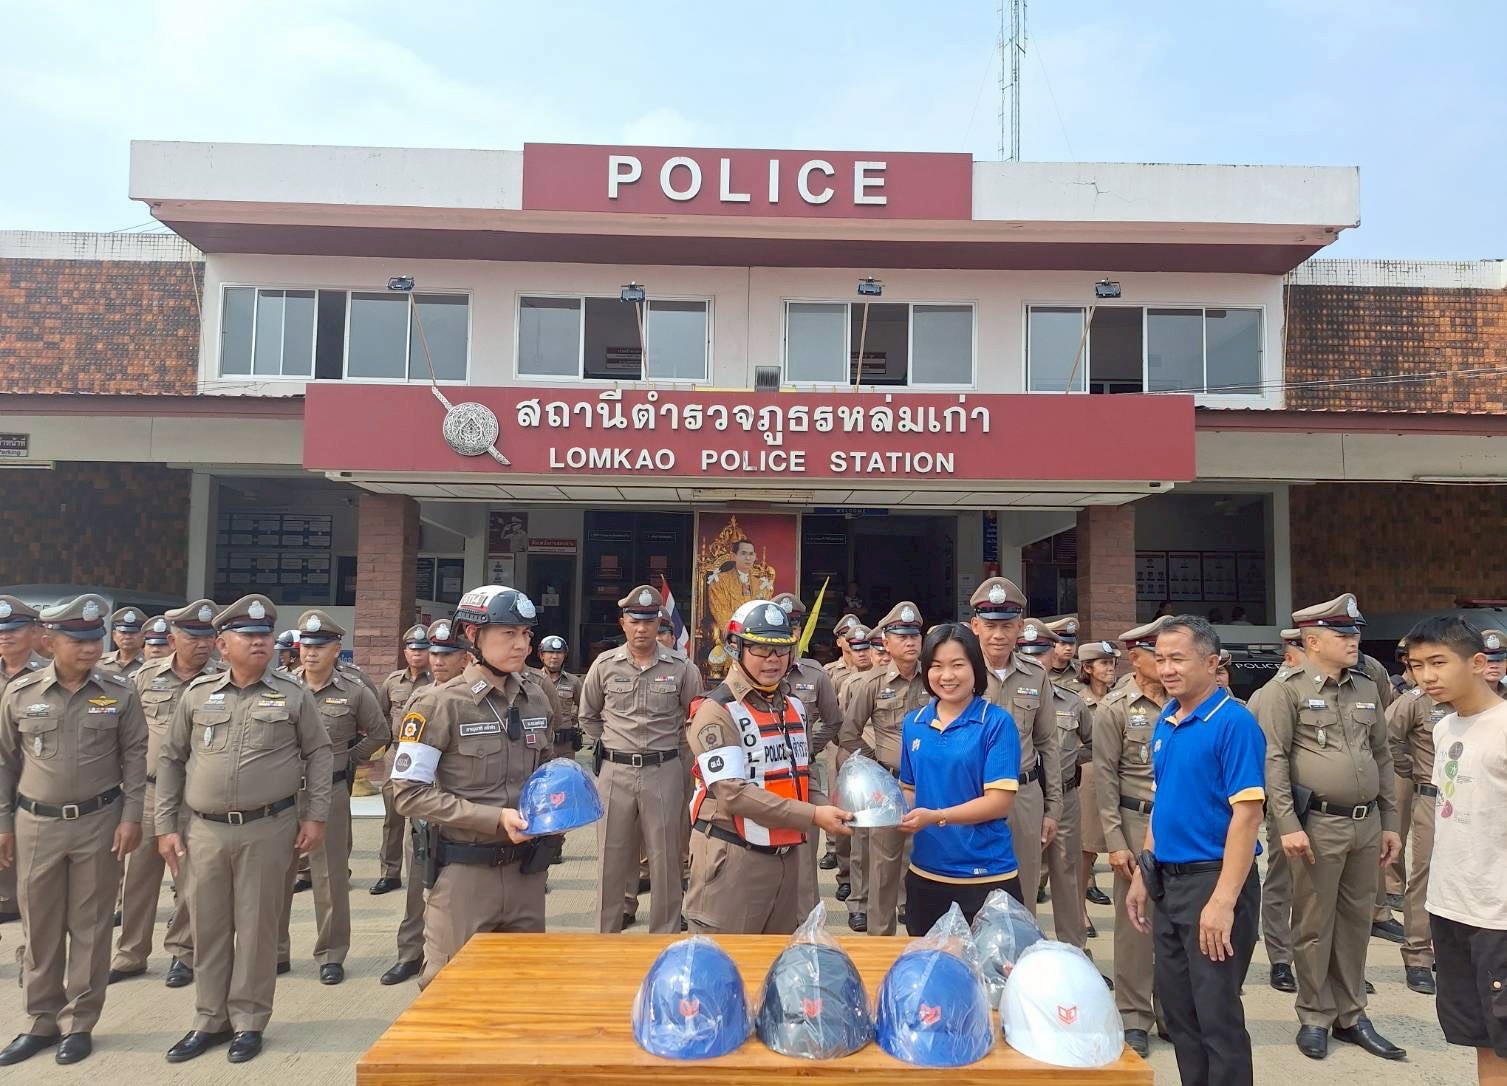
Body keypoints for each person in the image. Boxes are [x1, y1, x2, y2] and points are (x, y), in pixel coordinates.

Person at [156, 594, 331, 1065]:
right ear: (222, 645)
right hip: (204, 832)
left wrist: (315, 815)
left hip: (267, 828)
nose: (259, 642)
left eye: (265, 635)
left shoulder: (293, 694)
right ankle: (209, 1019)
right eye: (248, 635)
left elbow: (319, 753)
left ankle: (249, 1021)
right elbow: (171, 759)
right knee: (208, 926)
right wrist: (165, 825)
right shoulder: (198, 695)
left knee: (256, 929)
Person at [390, 585, 564, 988]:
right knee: (451, 991)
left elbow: (545, 773)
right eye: (508, 633)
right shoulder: (438, 705)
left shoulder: (537, 700)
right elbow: (408, 794)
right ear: (472, 635)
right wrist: (493, 818)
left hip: (527, 873)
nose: (521, 644)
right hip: (465, 874)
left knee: (524, 987)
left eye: (526, 634)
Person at [1256, 592, 1405, 1062]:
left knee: (1356, 923)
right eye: (1342, 634)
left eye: (1354, 632)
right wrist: (1287, 823)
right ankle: (1315, 1014)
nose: (1353, 640)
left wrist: (1390, 821)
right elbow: (1274, 761)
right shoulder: (1285, 690)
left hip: (1366, 822)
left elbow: (1381, 755)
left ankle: (1352, 1015)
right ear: (1313, 640)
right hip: (1317, 822)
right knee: (1314, 924)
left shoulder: (1365, 687)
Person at [0, 594, 147, 1067]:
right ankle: (40, 1020)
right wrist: (3, 823)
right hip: (35, 823)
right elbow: (4, 763)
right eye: (76, 639)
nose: (89, 648)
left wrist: (131, 817)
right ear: (50, 641)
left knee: (91, 924)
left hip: (98, 822)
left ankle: (79, 1022)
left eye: (94, 639)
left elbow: (136, 757)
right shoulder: (21, 693)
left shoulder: (120, 691)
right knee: (39, 925)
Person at [1125, 615, 1266, 1086]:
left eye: (1178, 659)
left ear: (1211, 662)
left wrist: (1222, 902)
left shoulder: (1233, 723)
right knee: (1180, 1012)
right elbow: (1163, 803)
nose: (1167, 669)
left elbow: (1247, 816)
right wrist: (1144, 871)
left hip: (1214, 880)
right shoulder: (1168, 719)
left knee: (1216, 1015)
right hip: (1169, 881)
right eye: (1161, 659)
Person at [685, 600, 852, 933]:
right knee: (727, 960)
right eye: (761, 649)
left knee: (779, 958)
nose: (773, 659)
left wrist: (837, 812)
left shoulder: (794, 706)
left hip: (787, 857)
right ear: (735, 648)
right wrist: (814, 816)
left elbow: (802, 775)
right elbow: (733, 795)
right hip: (734, 859)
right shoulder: (716, 711)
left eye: (782, 649)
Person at [1405, 618, 1507, 1085]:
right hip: (1451, 907)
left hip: (1498, 914)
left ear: (1479, 663)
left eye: (1438, 663)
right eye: (1417, 665)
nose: (1427, 676)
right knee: (1481, 1035)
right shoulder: (1444, 728)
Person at [580, 584, 702, 933]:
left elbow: (696, 718)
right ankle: (606, 935)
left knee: (666, 859)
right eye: (634, 621)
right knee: (611, 858)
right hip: (615, 771)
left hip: (664, 770)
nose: (642, 629)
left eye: (649, 621)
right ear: (623, 624)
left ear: (659, 624)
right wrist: (614, 744)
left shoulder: (682, 667)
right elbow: (588, 716)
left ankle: (664, 936)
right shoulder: (604, 665)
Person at [111, 600, 220, 990]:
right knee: (138, 877)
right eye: (193, 637)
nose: (202, 644)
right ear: (172, 639)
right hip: (150, 791)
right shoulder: (145, 677)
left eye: (208, 637)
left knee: (190, 878)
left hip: (195, 795)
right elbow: (126, 734)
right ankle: (130, 954)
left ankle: (183, 953)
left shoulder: (221, 680)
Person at [278, 610, 389, 986]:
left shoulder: (353, 691)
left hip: (330, 792)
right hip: (282, 794)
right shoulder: (282, 687)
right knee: (278, 875)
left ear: (336, 650)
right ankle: (276, 951)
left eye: (320, 646)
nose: (310, 653)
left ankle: (331, 953)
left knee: (330, 877)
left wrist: (350, 759)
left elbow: (380, 732)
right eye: (306, 646)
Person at [897, 623, 1021, 932]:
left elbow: (999, 803)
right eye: (936, 666)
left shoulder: (996, 723)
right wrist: (888, 808)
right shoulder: (914, 723)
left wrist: (936, 816)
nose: (947, 676)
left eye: (957, 665)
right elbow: (910, 789)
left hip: (986, 875)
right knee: (926, 959)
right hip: (926, 873)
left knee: (990, 962)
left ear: (975, 668)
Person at [378, 617, 471, 986]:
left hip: (462, 807)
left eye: (447, 654)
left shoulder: (476, 698)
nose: (437, 660)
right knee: (418, 886)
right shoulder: (419, 698)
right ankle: (410, 953)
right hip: (424, 805)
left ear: (465, 657)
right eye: (434, 653)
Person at [1094, 617, 1170, 1057]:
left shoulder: (1187, 700)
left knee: (1178, 922)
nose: (1166, 663)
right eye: (1157, 654)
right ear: (1135, 658)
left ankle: (1172, 1012)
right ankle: (1134, 1015)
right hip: (1134, 820)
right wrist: (1115, 841)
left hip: (1180, 825)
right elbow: (1104, 778)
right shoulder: (1116, 708)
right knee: (1136, 925)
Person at [968, 578, 1061, 921]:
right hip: (971, 793)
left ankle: (1019, 953)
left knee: (1023, 890)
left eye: (1007, 626)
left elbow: (1047, 743)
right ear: (975, 626)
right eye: (990, 625)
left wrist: (1052, 809)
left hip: (1024, 795)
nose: (998, 635)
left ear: (1020, 627)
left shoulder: (1035, 675)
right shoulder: (960, 672)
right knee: (971, 885)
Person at [839, 601, 929, 935]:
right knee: (883, 869)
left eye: (914, 635)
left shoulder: (933, 677)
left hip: (930, 785)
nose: (910, 642)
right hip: (888, 787)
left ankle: (924, 939)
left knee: (927, 862)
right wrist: (876, 766)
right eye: (902, 636)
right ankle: (879, 939)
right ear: (886, 642)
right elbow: (848, 733)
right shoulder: (872, 683)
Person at [769, 593, 843, 917]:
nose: (788, 633)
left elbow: (833, 720)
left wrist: (808, 747)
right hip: (764, 776)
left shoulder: (815, 674)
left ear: (799, 631)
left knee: (804, 856)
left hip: (802, 776)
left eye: (793, 626)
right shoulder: (755, 668)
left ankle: (809, 925)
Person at [1386, 641, 1452, 996]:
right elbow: (1385, 737)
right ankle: (1418, 956)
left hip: (1481, 801)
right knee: (1425, 875)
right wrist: (1408, 768)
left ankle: (1453, 951)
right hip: (1433, 796)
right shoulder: (1417, 701)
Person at [1021, 622, 1091, 947]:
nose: (1034, 661)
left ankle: (1074, 950)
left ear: (1052, 655)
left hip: (1063, 795)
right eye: (1026, 654)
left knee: (1067, 875)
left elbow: (1094, 742)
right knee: (1022, 877)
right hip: (1022, 795)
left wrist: (1071, 760)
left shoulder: (1072, 701)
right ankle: (1021, 949)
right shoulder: (1004, 697)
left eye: (1040, 654)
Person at [1253, 628, 1305, 994]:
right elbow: (1266, 755)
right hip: (1288, 803)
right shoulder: (1271, 693)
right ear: (1291, 654)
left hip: (1330, 810)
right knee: (1281, 881)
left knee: (1320, 891)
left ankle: (1324, 962)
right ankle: (1281, 958)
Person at [373, 624, 433, 896]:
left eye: (422, 649)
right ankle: (390, 873)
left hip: (427, 753)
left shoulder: (437, 681)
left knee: (422, 818)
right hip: (397, 753)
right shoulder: (392, 681)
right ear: (405, 652)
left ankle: (422, 872)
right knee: (393, 816)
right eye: (412, 649)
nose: (417, 654)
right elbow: (381, 714)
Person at [0, 596, 47, 927]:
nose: (5, 636)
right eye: (1, 630)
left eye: (14, 629)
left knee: (33, 880)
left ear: (34, 632)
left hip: (34, 784)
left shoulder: (49, 675)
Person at [1068, 640, 1120, 929]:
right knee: (1085, 850)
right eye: (1104, 663)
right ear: (1087, 668)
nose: (1110, 668)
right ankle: (1079, 911)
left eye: (1112, 663)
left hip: (1120, 776)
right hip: (1088, 776)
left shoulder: (1121, 697)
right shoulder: (1075, 698)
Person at [707, 539, 770, 672]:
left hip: (757, 639)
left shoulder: (762, 585)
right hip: (731, 638)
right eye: (743, 553)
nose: (748, 558)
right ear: (734, 556)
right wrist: (743, 636)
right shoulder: (719, 581)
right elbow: (721, 614)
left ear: (755, 556)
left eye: (751, 554)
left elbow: (764, 616)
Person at [536, 635, 582, 759]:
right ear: (541, 655)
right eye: (550, 652)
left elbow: (586, 706)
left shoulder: (573, 681)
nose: (555, 656)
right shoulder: (533, 680)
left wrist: (572, 719)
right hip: (540, 743)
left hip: (565, 745)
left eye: (559, 653)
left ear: (564, 656)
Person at [99, 607, 148, 678]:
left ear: (143, 636)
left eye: (133, 632)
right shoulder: (99, 662)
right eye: (123, 632)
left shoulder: (150, 663)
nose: (127, 637)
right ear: (114, 635)